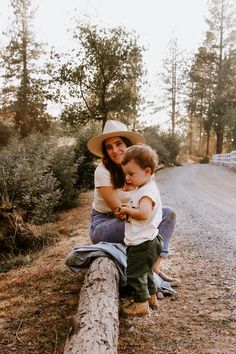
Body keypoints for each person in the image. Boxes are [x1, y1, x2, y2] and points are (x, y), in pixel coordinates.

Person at [87, 119, 178, 284]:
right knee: (145, 226)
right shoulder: (102, 171)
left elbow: (152, 201)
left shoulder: (142, 166)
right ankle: (142, 274)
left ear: (128, 144)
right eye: (109, 147)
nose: (115, 150)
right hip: (105, 223)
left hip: (132, 216)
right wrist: (146, 218)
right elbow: (119, 212)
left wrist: (149, 216)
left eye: (118, 143)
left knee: (168, 215)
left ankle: (154, 269)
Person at [115, 144, 163, 315]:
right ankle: (151, 297)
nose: (127, 178)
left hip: (142, 243)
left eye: (131, 174)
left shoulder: (146, 192)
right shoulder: (143, 188)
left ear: (147, 171)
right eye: (126, 173)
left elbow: (143, 213)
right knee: (146, 271)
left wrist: (128, 210)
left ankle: (140, 304)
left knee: (135, 273)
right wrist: (127, 208)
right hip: (149, 241)